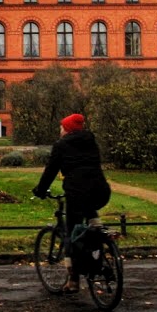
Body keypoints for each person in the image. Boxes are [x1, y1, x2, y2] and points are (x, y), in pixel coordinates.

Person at [32, 113, 111, 293]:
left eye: (62, 127)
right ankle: (100, 243)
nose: (60, 130)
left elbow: (51, 170)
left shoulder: (62, 145)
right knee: (91, 218)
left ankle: (73, 280)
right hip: (101, 191)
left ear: (67, 129)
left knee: (70, 233)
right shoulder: (91, 140)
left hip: (78, 193)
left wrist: (40, 190)